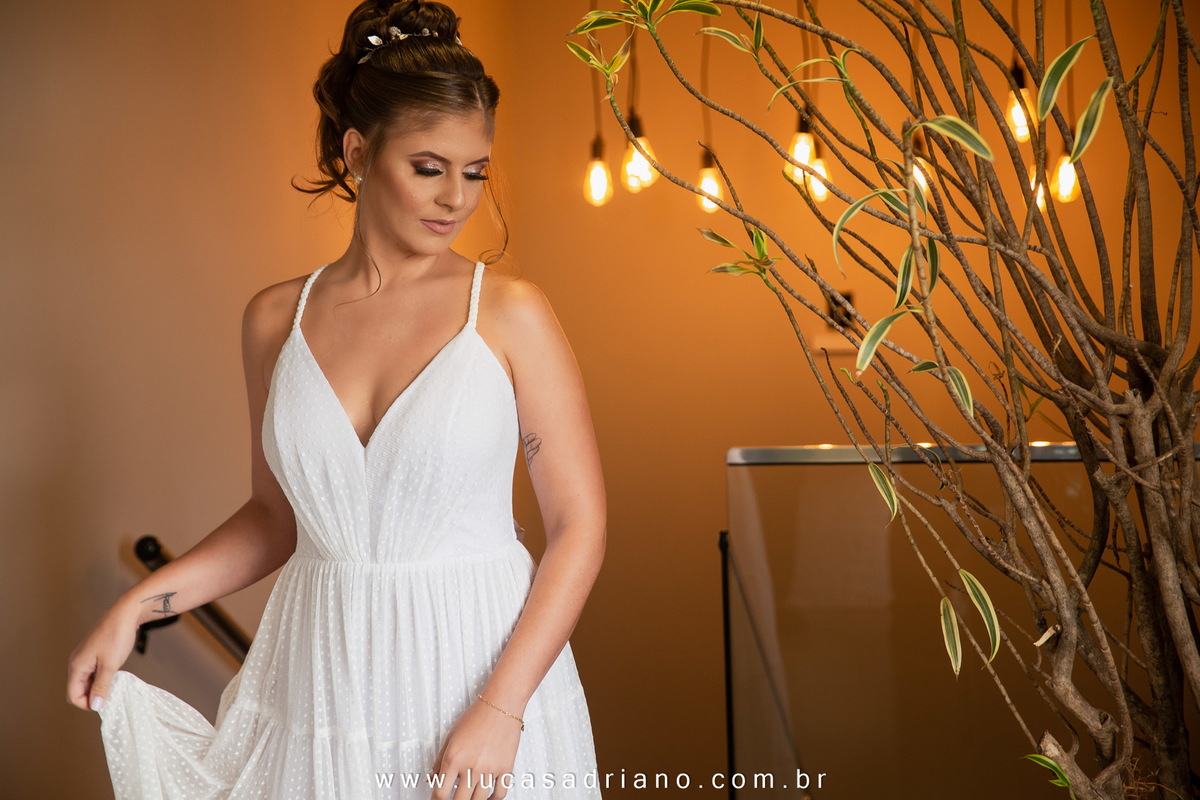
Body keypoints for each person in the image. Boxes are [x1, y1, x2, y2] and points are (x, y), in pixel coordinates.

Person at [65, 1, 607, 797]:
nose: (457, 198)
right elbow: (274, 518)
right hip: (324, 684)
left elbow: (579, 528)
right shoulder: (273, 320)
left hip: (483, 675)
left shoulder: (509, 313)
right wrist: (138, 606)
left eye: (475, 171)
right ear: (358, 151)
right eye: (429, 167)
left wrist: (503, 708)